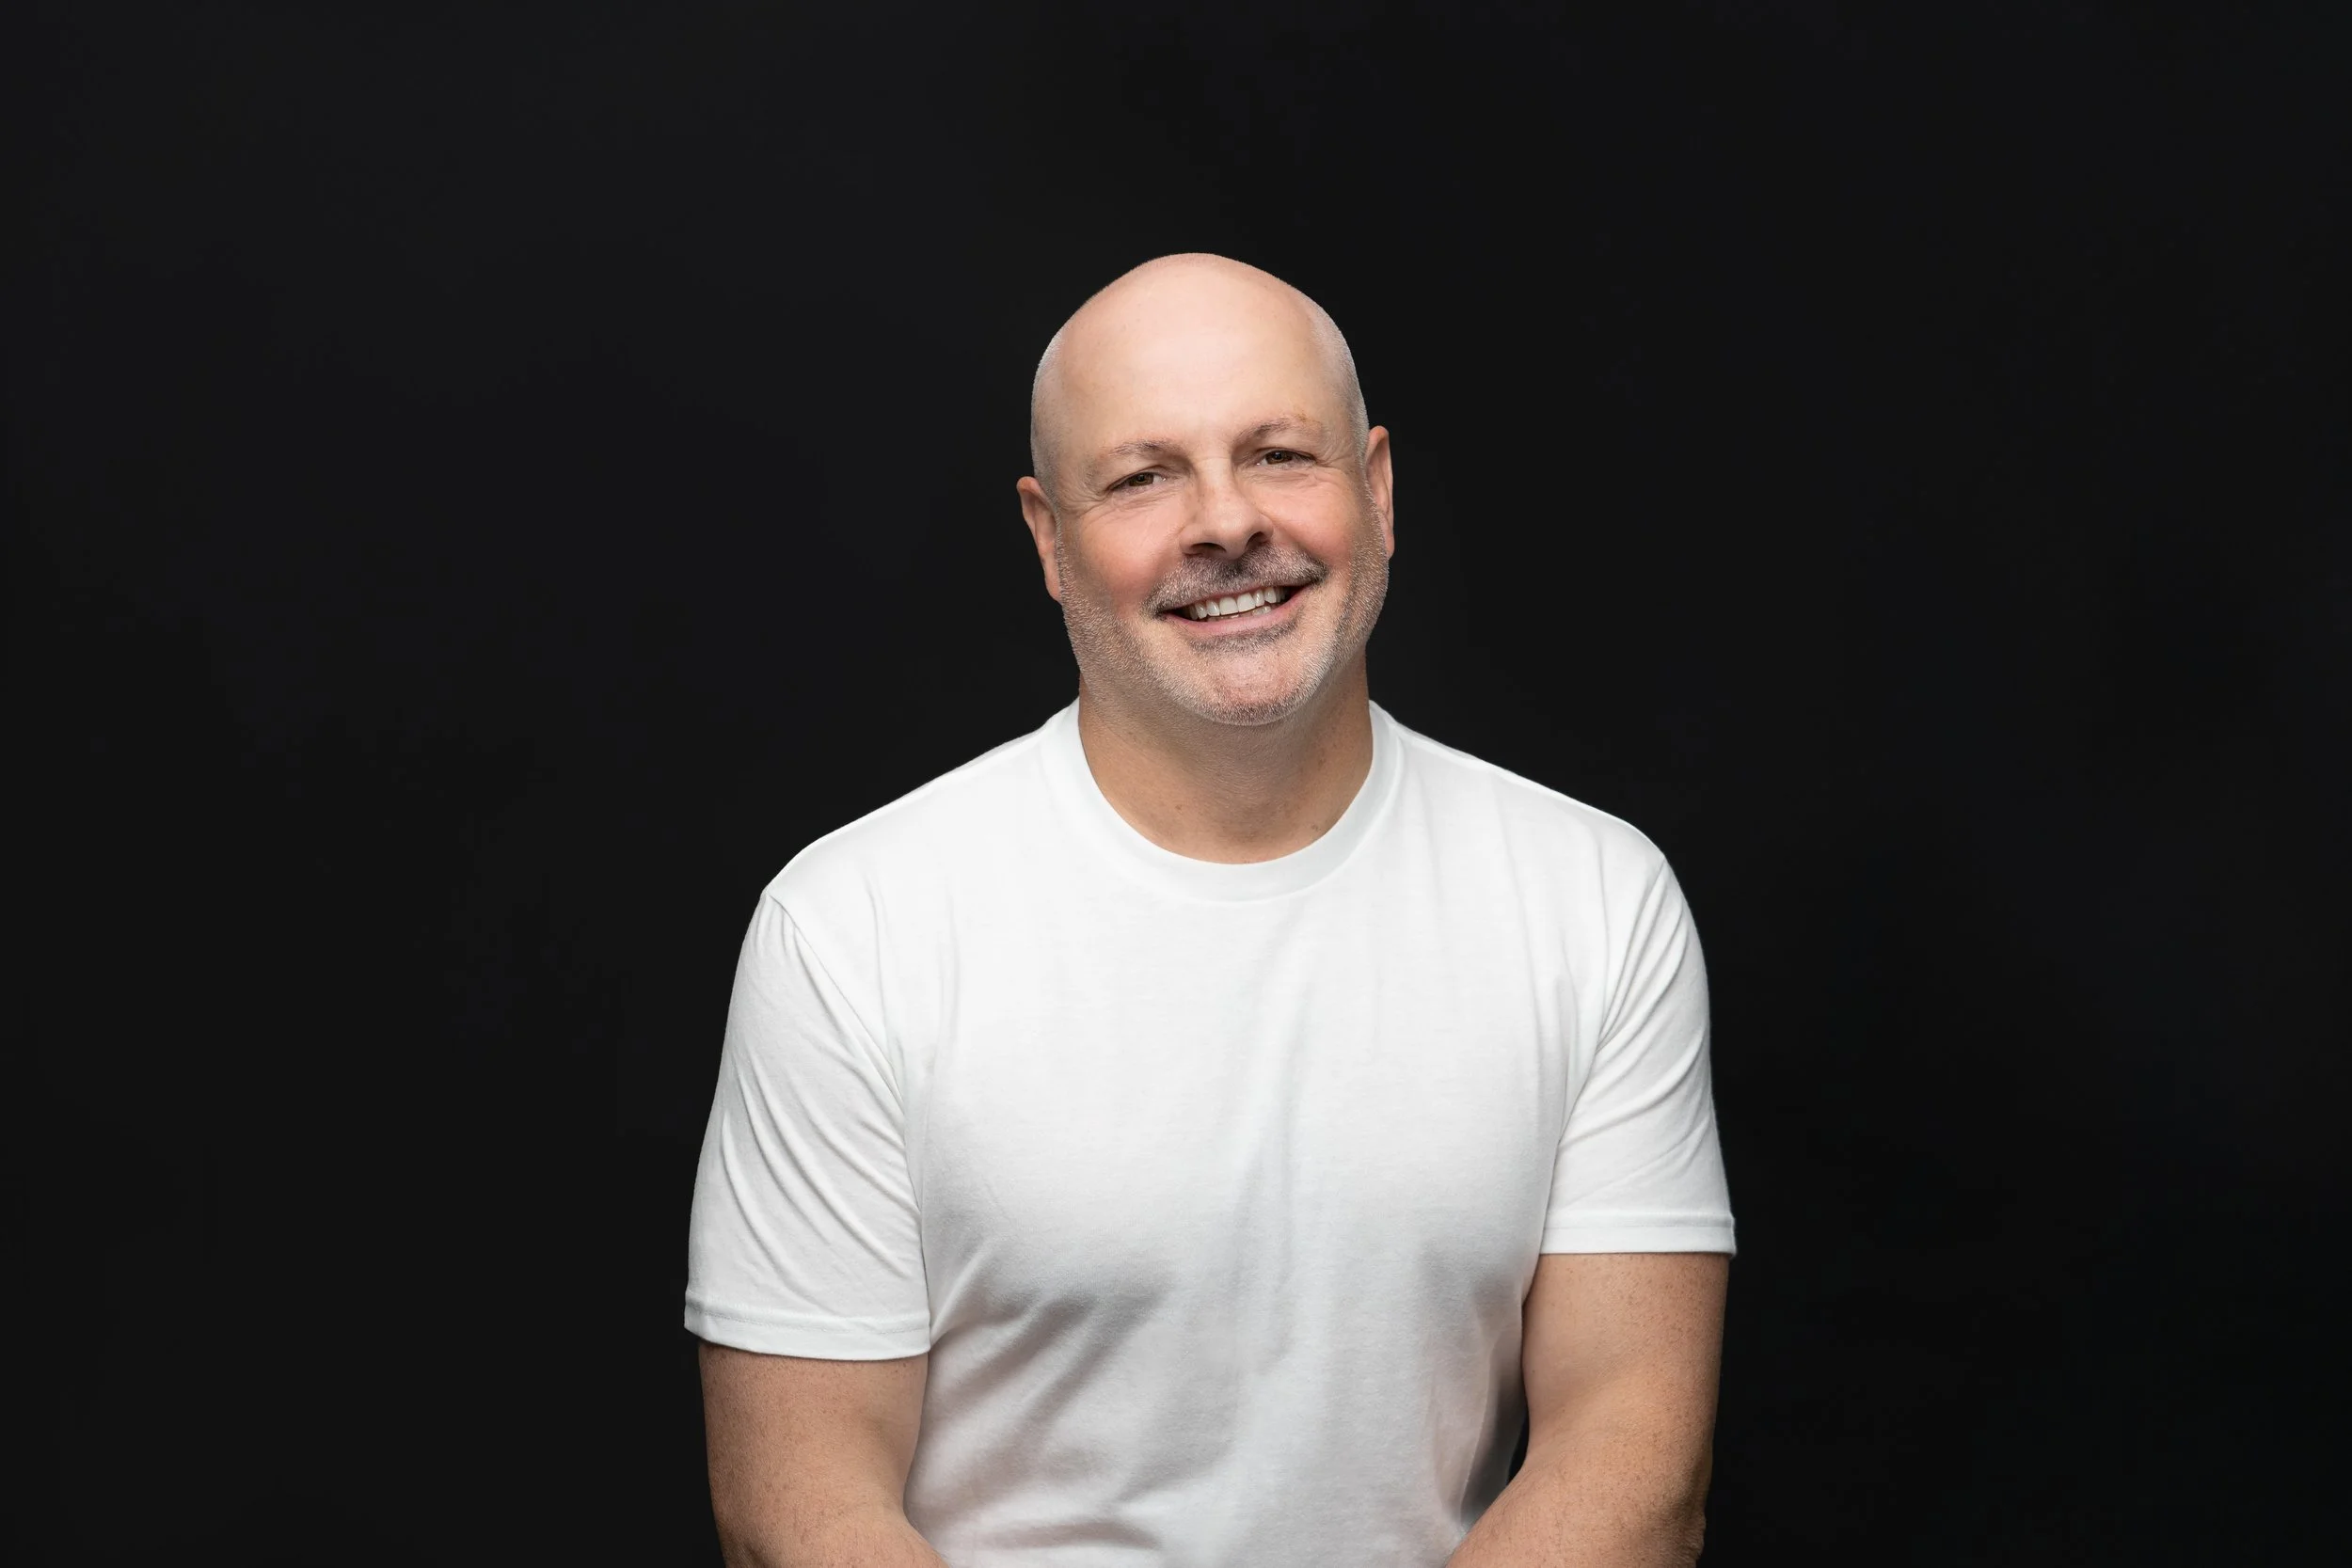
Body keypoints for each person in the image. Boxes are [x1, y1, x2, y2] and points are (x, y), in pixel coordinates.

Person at [686, 254, 1735, 1566]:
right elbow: (803, 1504)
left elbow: (1631, 1454)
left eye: (1282, 454)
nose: (1227, 523)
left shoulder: (1592, 898)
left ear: (1381, 489)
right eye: (1143, 476)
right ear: (1048, 540)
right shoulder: (851, 929)